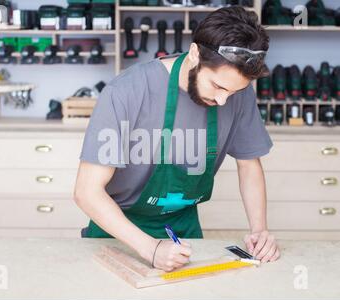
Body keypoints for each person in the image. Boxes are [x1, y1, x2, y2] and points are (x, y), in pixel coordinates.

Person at [74, 6, 280, 272]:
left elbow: (249, 164)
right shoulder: (126, 92)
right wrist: (151, 249)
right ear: (195, 54)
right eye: (217, 86)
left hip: (183, 228)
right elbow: (86, 192)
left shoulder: (236, 92)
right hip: (117, 229)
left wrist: (259, 231)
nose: (223, 100)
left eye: (233, 91)